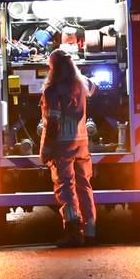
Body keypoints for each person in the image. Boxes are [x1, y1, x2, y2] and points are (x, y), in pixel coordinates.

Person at [39, 49, 96, 246]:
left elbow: (53, 122)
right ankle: (90, 230)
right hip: (82, 144)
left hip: (62, 145)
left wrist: (46, 148)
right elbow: (93, 85)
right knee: (84, 185)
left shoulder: (53, 90)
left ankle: (73, 231)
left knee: (66, 186)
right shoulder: (82, 84)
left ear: (53, 67)